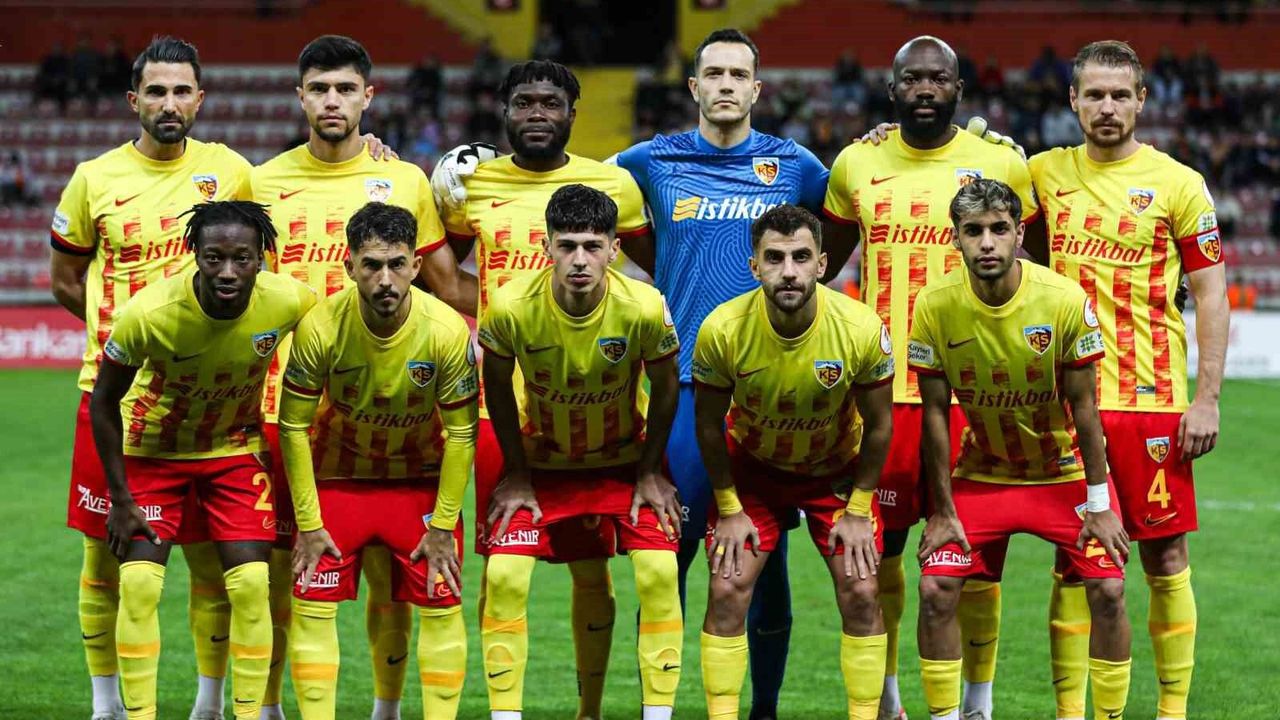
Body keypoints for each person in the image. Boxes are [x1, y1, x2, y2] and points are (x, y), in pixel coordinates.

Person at [250, 34, 473, 720]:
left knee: (390, 577)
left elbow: (444, 287)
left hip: (391, 408)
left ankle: (387, 708)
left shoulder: (402, 181)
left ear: (368, 97)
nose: (332, 101)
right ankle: (267, 707)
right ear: (300, 97)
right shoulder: (259, 184)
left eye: (345, 89)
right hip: (284, 406)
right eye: (319, 89)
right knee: (281, 576)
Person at [613, 31, 831, 718]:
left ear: (757, 89)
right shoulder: (650, 161)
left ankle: (762, 709)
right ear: (695, 87)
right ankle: (659, 708)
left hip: (768, 394)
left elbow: (839, 228)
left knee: (765, 565)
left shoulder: (796, 166)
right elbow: (572, 184)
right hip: (682, 391)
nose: (727, 84)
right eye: (715, 74)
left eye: (739, 74)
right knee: (667, 558)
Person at [825, 35, 1041, 720]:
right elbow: (823, 269)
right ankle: (888, 698)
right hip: (884, 396)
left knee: (976, 560)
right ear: (892, 90)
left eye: (938, 79)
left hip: (975, 395)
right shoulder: (856, 162)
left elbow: (1033, 266)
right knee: (882, 554)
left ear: (958, 89)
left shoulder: (1001, 163)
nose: (925, 89)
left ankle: (978, 703)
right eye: (912, 79)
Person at [437, 59, 654, 719]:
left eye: (550, 103)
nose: (537, 113)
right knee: (503, 571)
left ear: (572, 113)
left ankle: (590, 711)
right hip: (499, 408)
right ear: (504, 112)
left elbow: (660, 268)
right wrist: (507, 318)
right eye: (524, 103)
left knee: (592, 568)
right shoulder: (471, 184)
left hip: (594, 409)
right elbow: (442, 279)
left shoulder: (612, 184)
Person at [48, 36, 253, 720]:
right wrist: (123, 342)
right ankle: (106, 705)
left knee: (208, 560)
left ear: (200, 99)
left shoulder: (230, 172)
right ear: (134, 100)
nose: (170, 103)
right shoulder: (93, 179)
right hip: (111, 398)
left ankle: (208, 704)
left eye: (181, 91)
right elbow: (66, 279)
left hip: (207, 402)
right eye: (157, 91)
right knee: (104, 558)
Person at [1026, 41, 1229, 720]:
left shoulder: (1179, 184)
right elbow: (965, 163)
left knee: (1166, 558)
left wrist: (1207, 399)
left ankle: (1172, 712)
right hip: (1068, 404)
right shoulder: (1042, 173)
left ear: (1142, 101)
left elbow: (1212, 294)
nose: (1107, 107)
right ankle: (1071, 713)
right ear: (1073, 101)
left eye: (1120, 95)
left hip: (1153, 400)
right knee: (1073, 562)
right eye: (1094, 94)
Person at [910, 179, 1132, 720]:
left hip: (1064, 474)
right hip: (984, 473)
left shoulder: (1062, 300)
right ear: (956, 238)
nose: (987, 242)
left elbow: (1085, 408)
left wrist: (1100, 504)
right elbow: (935, 413)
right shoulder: (934, 305)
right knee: (936, 589)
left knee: (1108, 591)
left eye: (999, 229)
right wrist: (941, 510)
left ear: (1018, 234)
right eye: (974, 231)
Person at [88, 200, 316, 720]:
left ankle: (247, 713)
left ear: (262, 258)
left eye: (242, 258)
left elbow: (336, 331)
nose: (228, 271)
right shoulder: (149, 314)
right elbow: (103, 402)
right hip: (153, 452)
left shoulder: (289, 300)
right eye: (214, 258)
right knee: (139, 585)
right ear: (195, 255)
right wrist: (120, 499)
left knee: (253, 584)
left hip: (234, 449)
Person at [476, 184, 683, 720]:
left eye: (593, 246)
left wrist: (649, 472)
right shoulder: (510, 306)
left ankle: (623, 714)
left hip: (623, 463)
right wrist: (516, 473)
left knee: (660, 572)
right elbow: (497, 389)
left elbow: (666, 390)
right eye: (567, 246)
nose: (580, 260)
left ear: (615, 249)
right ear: (546, 246)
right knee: (503, 578)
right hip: (541, 464)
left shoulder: (644, 307)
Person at [692, 205, 894, 720]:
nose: (788, 271)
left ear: (822, 264)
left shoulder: (859, 328)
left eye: (801, 257)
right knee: (726, 589)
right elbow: (709, 425)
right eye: (775, 258)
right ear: (754, 265)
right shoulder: (722, 329)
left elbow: (880, 425)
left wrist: (859, 509)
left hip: (834, 473)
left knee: (863, 591)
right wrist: (728, 507)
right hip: (754, 474)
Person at [280, 203, 478, 720]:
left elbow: (462, 432)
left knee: (441, 599)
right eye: (371, 265)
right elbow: (293, 426)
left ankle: (388, 712)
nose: (385, 279)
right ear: (350, 266)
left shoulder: (446, 330)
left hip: (417, 483)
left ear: (416, 265)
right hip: (338, 480)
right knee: (312, 604)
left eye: (396, 264)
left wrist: (443, 525)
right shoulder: (320, 327)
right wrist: (308, 522)